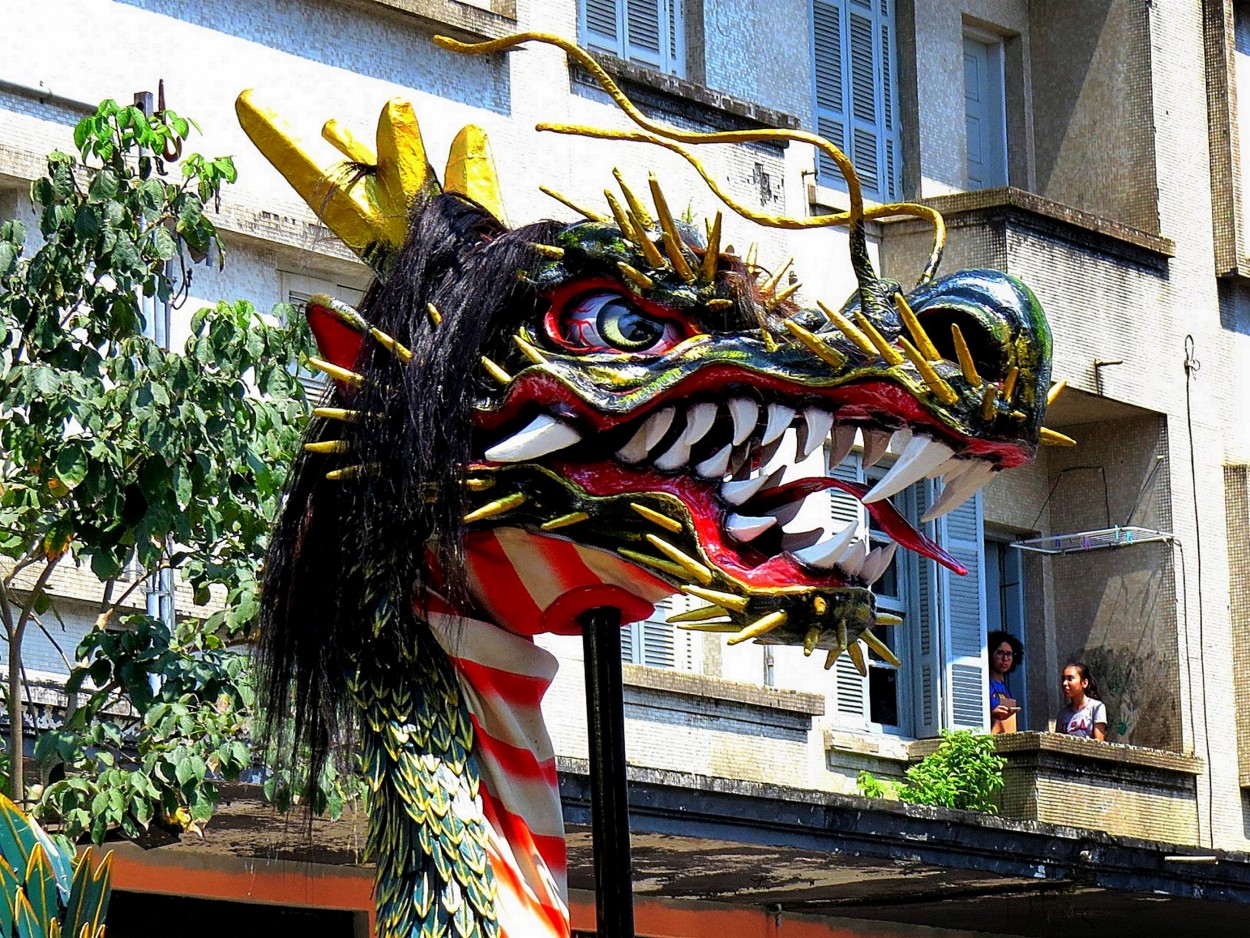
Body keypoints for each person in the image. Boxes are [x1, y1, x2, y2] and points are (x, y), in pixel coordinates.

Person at [1056, 661, 1107, 740]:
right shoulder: (1062, 715)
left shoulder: (1096, 707)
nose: (1065, 683)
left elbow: (1099, 742)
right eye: (1063, 679)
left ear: (1084, 683)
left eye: (1070, 679)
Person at [988, 630, 1023, 733]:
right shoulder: (984, 684)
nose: (1005, 658)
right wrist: (992, 713)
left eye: (1009, 654)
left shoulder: (1006, 689)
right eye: (1000, 653)